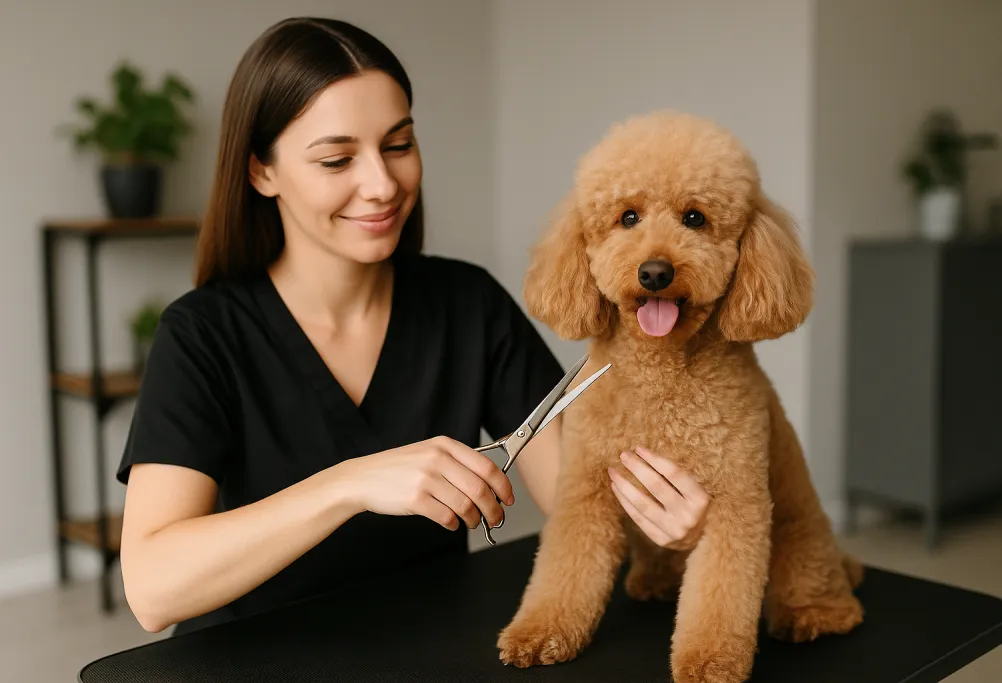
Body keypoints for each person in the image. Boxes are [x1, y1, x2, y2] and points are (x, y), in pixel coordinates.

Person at [117, 16, 711, 636]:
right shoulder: (200, 334)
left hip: (424, 650)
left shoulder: (467, 304)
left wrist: (678, 528)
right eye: (337, 159)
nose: (381, 185)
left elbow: (582, 501)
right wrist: (349, 484)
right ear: (261, 172)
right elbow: (154, 590)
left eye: (398, 145)